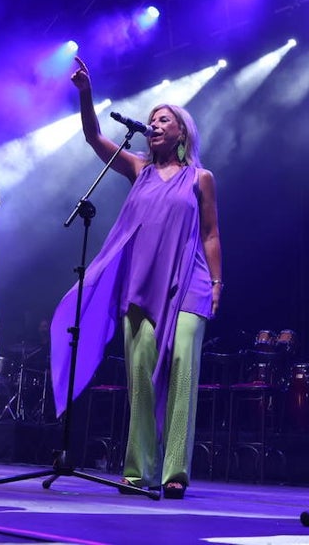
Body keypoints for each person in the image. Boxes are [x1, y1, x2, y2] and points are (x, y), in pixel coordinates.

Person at [50, 55, 223, 499]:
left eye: (164, 119)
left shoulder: (200, 178)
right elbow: (93, 137)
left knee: (183, 367)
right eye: (152, 120)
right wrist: (86, 93)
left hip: (190, 282)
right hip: (142, 284)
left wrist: (217, 284)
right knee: (141, 374)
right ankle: (139, 469)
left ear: (182, 131)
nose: (155, 124)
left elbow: (210, 234)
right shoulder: (139, 169)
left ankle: (175, 471)